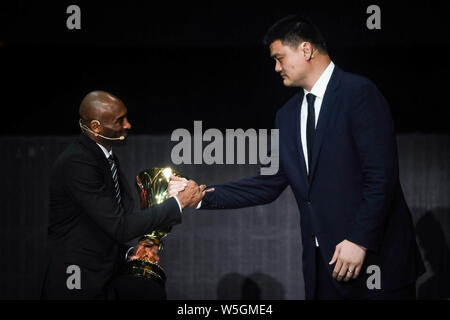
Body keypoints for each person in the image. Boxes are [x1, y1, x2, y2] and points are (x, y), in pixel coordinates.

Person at [173, 14, 425, 299]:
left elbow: (381, 177)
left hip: (375, 264)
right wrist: (200, 196)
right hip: (323, 269)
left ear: (306, 50)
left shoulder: (359, 93)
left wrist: (359, 240)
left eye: (279, 57)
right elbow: (266, 184)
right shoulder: (287, 115)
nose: (276, 67)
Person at [41, 90, 206, 299]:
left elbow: (99, 229)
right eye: (120, 121)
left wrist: (131, 253)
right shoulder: (78, 163)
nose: (128, 125)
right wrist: (178, 203)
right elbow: (119, 226)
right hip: (76, 280)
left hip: (103, 275)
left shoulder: (106, 159)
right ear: (95, 127)